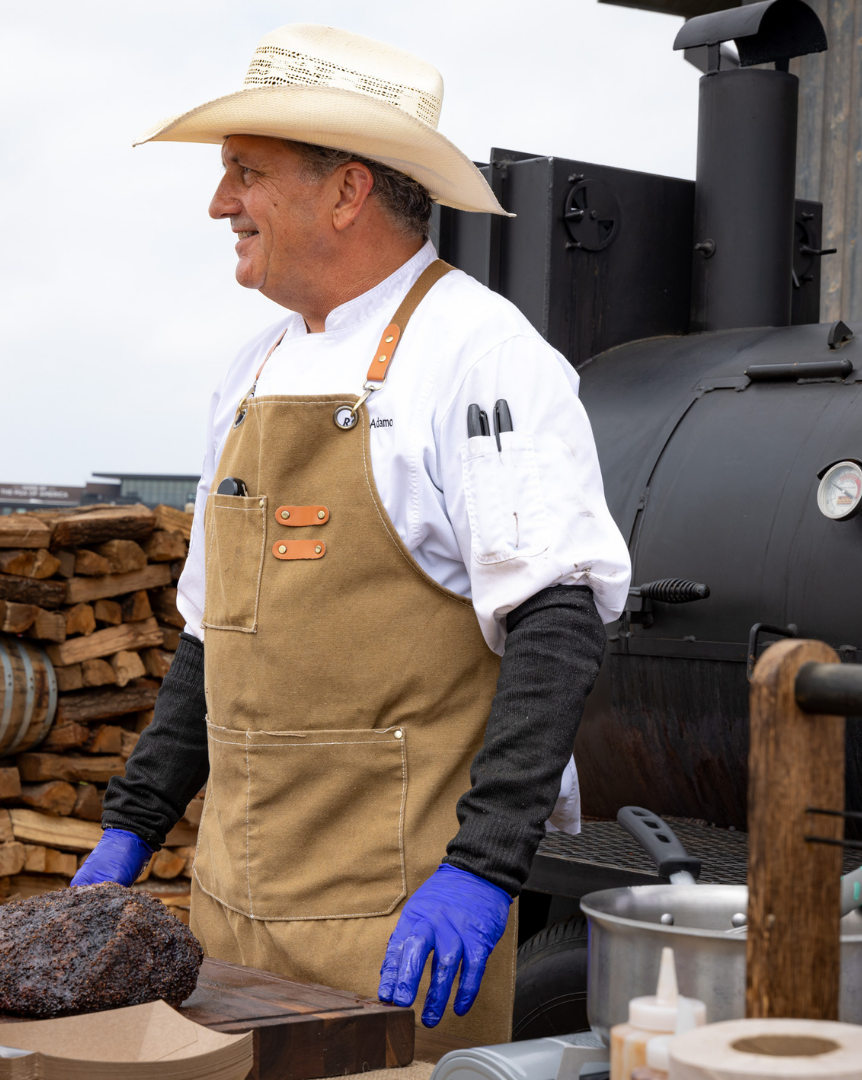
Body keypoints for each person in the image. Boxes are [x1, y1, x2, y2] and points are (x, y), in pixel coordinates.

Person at [73, 23, 631, 1047]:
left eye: (245, 173)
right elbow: (212, 636)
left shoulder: (480, 355)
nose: (218, 204)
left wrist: (483, 869)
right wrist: (132, 822)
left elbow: (558, 623)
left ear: (347, 191)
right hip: (229, 916)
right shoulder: (247, 371)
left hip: (397, 938)